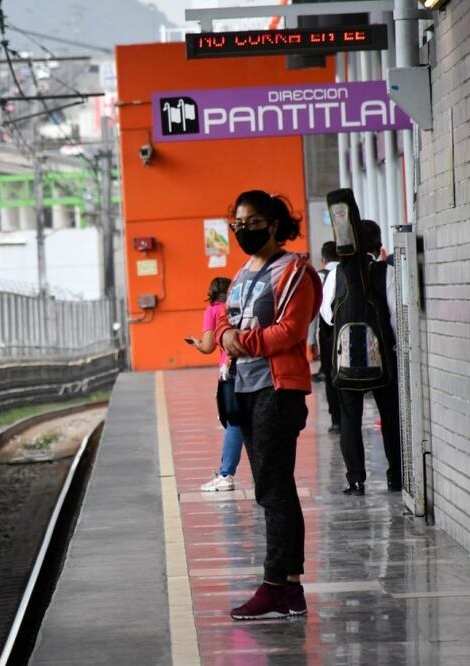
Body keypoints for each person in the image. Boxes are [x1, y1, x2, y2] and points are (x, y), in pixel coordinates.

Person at [214, 190, 322, 620]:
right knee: (277, 487)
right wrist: (225, 335)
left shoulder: (295, 271)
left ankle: (274, 585)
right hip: (245, 387)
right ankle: (291, 588)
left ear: (274, 224)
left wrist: (242, 342)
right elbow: (225, 317)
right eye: (238, 224)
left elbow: (292, 330)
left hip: (277, 390)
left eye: (253, 223)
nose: (243, 230)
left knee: (272, 489)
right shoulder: (243, 272)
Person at [326, 219, 401, 495]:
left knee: (350, 417)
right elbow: (396, 317)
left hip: (346, 358)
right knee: (390, 415)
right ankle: (396, 477)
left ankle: (356, 480)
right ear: (379, 247)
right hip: (382, 358)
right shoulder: (387, 272)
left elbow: (327, 314)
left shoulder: (336, 273)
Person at [186, 277, 246, 492]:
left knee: (234, 421)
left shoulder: (212, 311)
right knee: (253, 421)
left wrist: (196, 343)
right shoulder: (239, 305)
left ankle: (226, 474)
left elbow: (208, 346)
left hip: (229, 370)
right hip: (253, 366)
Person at [316, 241, 342, 434]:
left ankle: (336, 420)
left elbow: (313, 311)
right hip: (346, 331)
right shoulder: (347, 272)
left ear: (323, 259)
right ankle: (349, 417)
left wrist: (311, 340)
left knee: (330, 375)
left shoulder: (319, 276)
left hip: (326, 333)